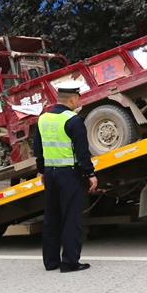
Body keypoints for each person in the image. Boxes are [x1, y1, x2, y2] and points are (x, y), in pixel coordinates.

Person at [31, 81, 98, 273]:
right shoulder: (74, 120)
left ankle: (50, 261)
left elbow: (38, 150)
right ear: (72, 99)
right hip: (69, 175)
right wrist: (90, 174)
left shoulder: (43, 119)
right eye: (78, 98)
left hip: (50, 174)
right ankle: (69, 262)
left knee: (51, 217)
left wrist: (42, 171)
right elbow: (82, 152)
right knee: (71, 218)